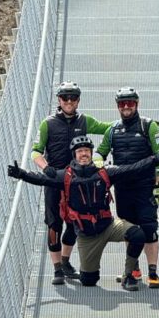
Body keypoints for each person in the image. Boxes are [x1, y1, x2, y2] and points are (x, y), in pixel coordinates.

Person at [8, 136, 159, 290]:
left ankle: (128, 275)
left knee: (137, 234)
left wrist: (158, 158)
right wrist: (21, 174)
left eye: (87, 151)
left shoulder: (104, 172)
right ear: (74, 155)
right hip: (87, 236)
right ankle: (85, 271)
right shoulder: (65, 176)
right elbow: (41, 178)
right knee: (89, 281)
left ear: (91, 153)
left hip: (109, 226)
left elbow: (133, 168)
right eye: (80, 151)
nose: (84, 154)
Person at [31, 82, 112, 285]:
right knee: (53, 224)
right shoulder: (47, 123)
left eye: (73, 98)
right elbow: (35, 151)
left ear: (78, 100)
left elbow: (111, 130)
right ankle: (57, 269)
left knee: (74, 222)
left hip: (76, 181)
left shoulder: (85, 121)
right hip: (54, 180)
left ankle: (66, 262)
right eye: (65, 98)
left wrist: (100, 156)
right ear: (58, 100)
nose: (69, 101)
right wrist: (45, 167)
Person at [95, 87, 159, 288]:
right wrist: (98, 164)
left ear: (137, 104)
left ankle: (153, 271)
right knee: (130, 230)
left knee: (150, 229)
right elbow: (100, 152)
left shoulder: (149, 127)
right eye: (122, 103)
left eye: (130, 103)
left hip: (145, 187)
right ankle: (133, 269)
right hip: (123, 189)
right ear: (117, 106)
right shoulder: (112, 130)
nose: (126, 107)